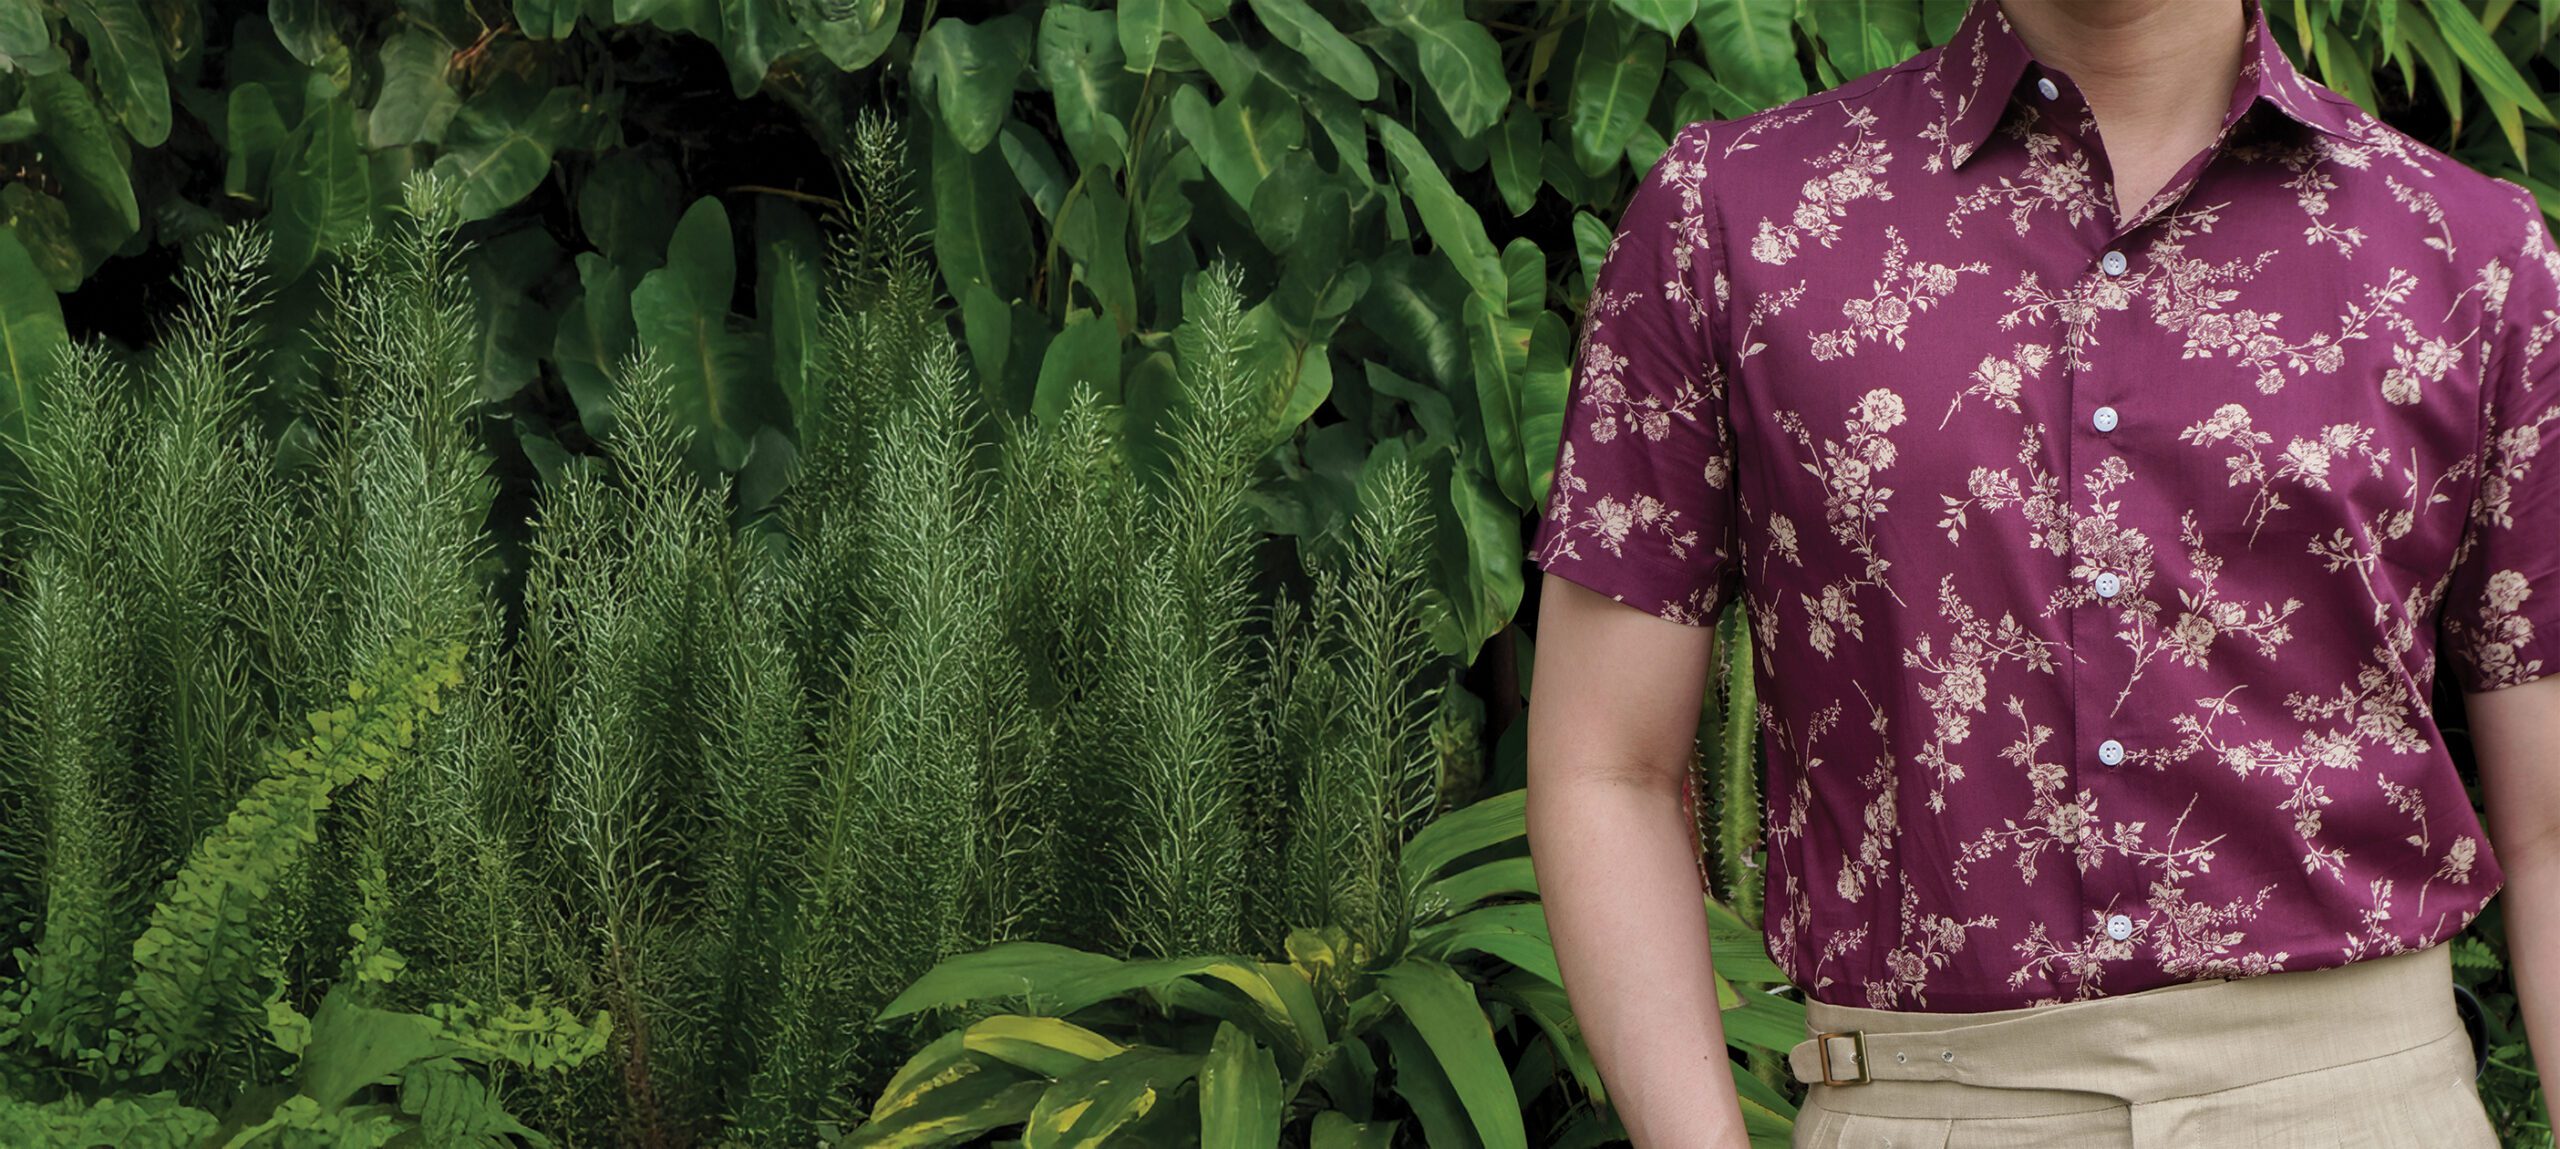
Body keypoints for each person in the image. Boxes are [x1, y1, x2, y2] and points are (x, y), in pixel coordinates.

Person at [1521, 0, 2560, 1144]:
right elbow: (1605, 766)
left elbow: (2552, 828)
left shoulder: (2471, 259)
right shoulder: (1736, 218)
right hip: (1924, 1106)